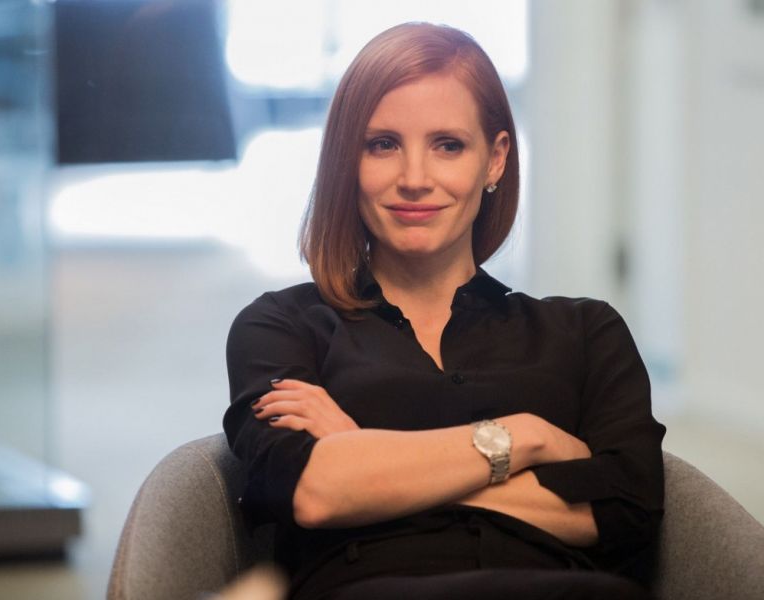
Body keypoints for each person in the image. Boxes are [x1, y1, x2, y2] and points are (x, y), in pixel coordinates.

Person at [223, 22, 665, 600]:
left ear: (495, 160)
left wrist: (366, 457)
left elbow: (626, 515)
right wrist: (525, 438)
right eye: (382, 144)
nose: (414, 179)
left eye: (448, 145)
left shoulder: (586, 332)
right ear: (346, 160)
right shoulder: (280, 327)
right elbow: (314, 493)